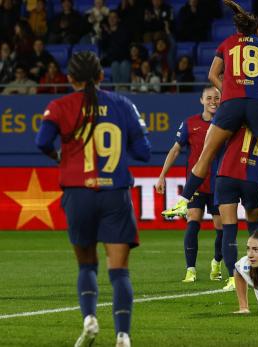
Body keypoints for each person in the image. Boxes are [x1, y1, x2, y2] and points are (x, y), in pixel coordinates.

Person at [34, 51, 151, 347]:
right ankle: (123, 335)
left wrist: (60, 156)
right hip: (115, 194)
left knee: (86, 265)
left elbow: (41, 141)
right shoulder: (122, 104)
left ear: (70, 78)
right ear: (101, 76)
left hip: (78, 193)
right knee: (119, 270)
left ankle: (89, 319)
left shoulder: (59, 106)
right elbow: (144, 152)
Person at [161, 0, 258, 231]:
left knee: (207, 154)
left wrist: (228, 91)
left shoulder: (227, 43)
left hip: (230, 104)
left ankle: (183, 201)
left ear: (237, 30)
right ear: (256, 29)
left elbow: (212, 74)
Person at [155, 87, 225, 284]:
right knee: (193, 220)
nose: (213, 101)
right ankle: (191, 270)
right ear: (201, 100)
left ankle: (217, 262)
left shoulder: (226, 123)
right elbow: (175, 150)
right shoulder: (190, 123)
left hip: (219, 183)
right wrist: (162, 176)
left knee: (221, 227)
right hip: (195, 185)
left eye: (217, 98)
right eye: (209, 98)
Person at [214, 117, 258, 291]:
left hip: (227, 174)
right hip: (253, 177)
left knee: (229, 229)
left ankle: (232, 278)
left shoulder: (233, 114)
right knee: (254, 227)